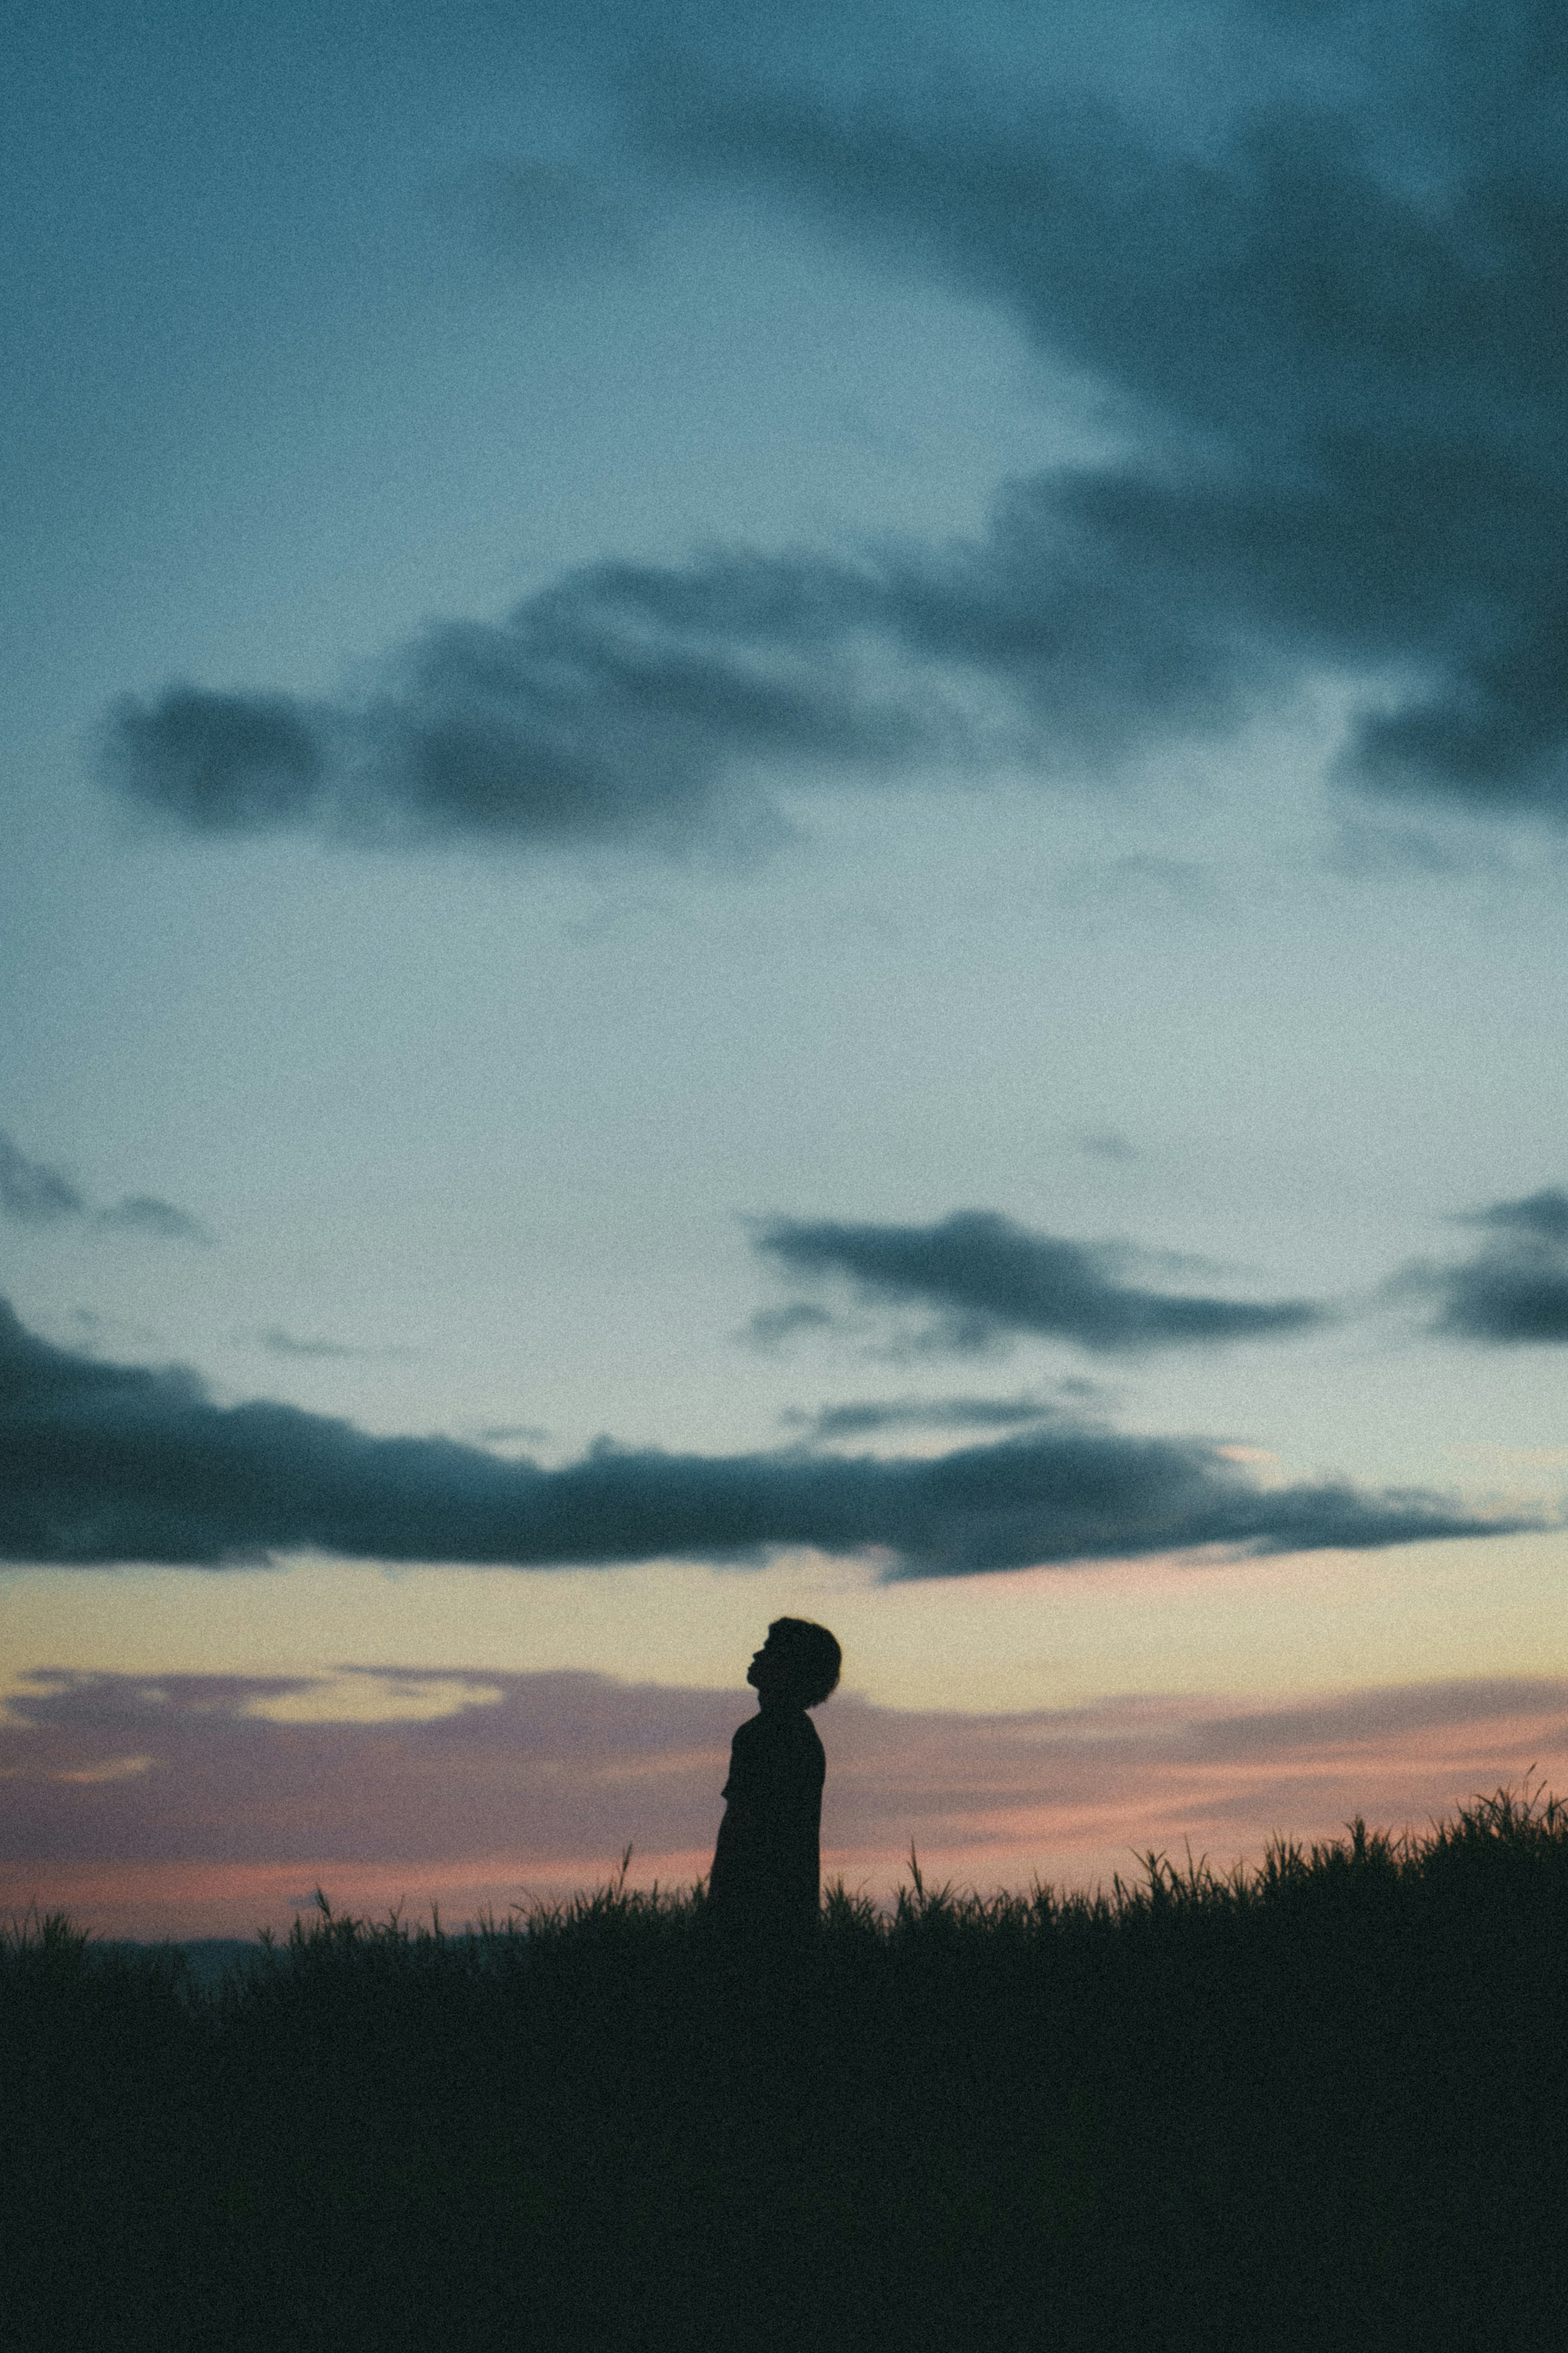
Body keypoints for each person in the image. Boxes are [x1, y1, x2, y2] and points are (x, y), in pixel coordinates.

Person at [705, 1617, 841, 1952]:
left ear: (790, 1669)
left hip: (751, 1907)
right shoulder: (801, 1734)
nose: (756, 1655)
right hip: (791, 1905)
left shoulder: (762, 1734)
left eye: (769, 1650)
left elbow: (740, 1822)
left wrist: (718, 1900)